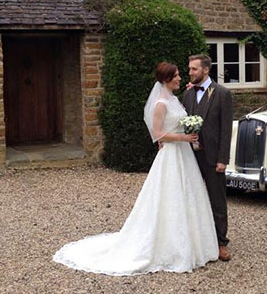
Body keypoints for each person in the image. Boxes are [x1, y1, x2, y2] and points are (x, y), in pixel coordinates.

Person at [52, 62, 219, 275]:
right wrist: (183, 137)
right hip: (172, 155)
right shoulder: (160, 103)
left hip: (183, 155)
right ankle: (169, 245)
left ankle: (195, 245)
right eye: (176, 76)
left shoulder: (175, 99)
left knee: (188, 195)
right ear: (167, 79)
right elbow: (157, 133)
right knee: (169, 196)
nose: (180, 78)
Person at [182, 54, 233, 261]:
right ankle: (198, 239)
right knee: (192, 197)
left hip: (213, 157)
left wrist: (223, 159)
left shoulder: (222, 93)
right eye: (190, 69)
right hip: (190, 155)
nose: (191, 72)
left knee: (217, 199)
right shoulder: (187, 93)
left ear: (205, 70)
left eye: (194, 69)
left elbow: (226, 129)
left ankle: (221, 242)